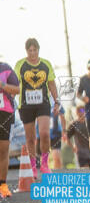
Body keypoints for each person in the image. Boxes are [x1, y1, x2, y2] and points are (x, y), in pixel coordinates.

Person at [15, 38, 61, 178]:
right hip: (26, 105)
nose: (33, 53)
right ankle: (33, 166)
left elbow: (52, 84)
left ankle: (45, 164)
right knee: (30, 138)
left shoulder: (46, 64)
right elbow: (15, 83)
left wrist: (57, 101)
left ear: (38, 50)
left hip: (43, 103)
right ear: (26, 51)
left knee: (44, 133)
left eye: (35, 50)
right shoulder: (20, 64)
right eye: (30, 50)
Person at [0, 62, 20, 198]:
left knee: (3, 150)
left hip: (5, 113)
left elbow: (17, 89)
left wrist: (2, 85)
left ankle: (3, 186)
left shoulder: (5, 68)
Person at [35, 97, 66, 169]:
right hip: (41, 134)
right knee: (40, 158)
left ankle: (57, 176)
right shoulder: (38, 100)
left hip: (55, 133)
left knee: (57, 157)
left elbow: (62, 116)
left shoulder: (56, 102)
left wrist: (64, 131)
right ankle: (42, 176)